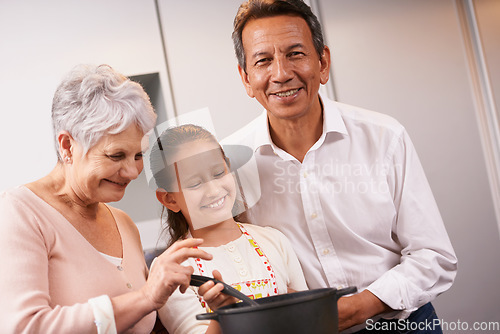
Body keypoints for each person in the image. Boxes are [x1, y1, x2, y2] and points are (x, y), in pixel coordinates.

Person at [222, 0, 458, 332]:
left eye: (296, 54)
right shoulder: (229, 165)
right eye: (263, 60)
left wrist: (358, 307)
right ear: (246, 78)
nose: (281, 73)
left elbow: (434, 257)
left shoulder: (384, 137)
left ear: (323, 62)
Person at [0, 64, 214, 334]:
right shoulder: (19, 213)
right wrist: (145, 298)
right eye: (116, 155)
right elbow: (24, 328)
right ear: (68, 145)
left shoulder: (124, 224)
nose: (133, 172)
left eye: (138, 155)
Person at [147, 124, 308, 334]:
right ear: (169, 199)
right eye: (195, 184)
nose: (214, 190)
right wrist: (222, 315)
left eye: (218, 173)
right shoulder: (171, 268)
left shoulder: (275, 240)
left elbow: (310, 318)